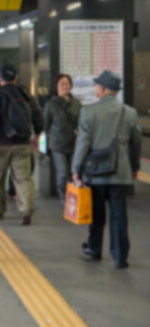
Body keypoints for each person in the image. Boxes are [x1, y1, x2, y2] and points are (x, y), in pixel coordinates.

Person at [72, 71, 141, 269]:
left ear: (102, 89)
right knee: (119, 215)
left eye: (96, 86)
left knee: (96, 213)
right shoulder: (130, 112)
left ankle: (94, 249)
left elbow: (83, 143)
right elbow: (135, 144)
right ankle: (120, 256)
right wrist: (134, 167)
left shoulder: (89, 111)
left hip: (96, 173)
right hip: (120, 171)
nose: (95, 89)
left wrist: (76, 169)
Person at [0, 64, 43, 225]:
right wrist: (37, 133)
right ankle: (26, 210)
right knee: (24, 178)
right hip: (22, 143)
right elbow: (37, 114)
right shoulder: (25, 94)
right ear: (16, 78)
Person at [43, 74, 82, 205]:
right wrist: (45, 148)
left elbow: (82, 121)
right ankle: (63, 198)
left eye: (67, 83)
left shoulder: (76, 103)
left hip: (74, 143)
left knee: (74, 173)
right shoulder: (51, 104)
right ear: (56, 87)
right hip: (58, 145)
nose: (65, 86)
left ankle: (73, 197)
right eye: (62, 84)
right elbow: (45, 125)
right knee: (63, 173)